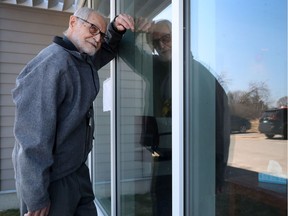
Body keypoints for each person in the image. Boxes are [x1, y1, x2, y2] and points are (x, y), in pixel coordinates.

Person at [12, 7, 134, 216]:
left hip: (76, 171)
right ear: (73, 22)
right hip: (53, 180)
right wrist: (37, 196)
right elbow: (31, 140)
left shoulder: (78, 59)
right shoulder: (50, 65)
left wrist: (115, 30)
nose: (97, 38)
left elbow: (104, 51)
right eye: (93, 28)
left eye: (101, 34)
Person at [119, 18, 230, 215]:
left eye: (167, 38)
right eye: (155, 42)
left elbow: (220, 130)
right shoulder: (155, 68)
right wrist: (134, 30)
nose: (161, 45)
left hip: (195, 165)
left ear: (178, 38)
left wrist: (218, 174)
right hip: (163, 161)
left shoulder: (202, 76)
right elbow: (126, 50)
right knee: (162, 206)